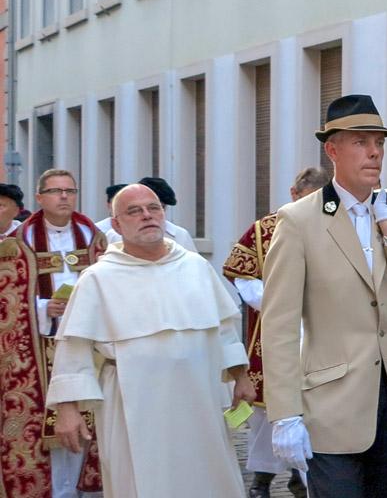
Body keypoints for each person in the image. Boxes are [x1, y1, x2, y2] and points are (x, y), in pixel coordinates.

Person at [262, 94, 387, 498]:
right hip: (331, 408)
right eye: (361, 142)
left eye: (379, 142)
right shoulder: (299, 220)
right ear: (332, 149)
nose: (374, 152)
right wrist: (284, 414)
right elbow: (278, 325)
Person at [44, 183, 253, 497]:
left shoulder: (195, 267)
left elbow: (224, 328)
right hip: (132, 403)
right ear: (116, 224)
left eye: (153, 208)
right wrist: (68, 409)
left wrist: (241, 376)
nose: (146, 216)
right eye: (134, 211)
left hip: (201, 398)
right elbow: (74, 347)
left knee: (208, 480)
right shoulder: (98, 278)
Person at [225, 167, 329, 498]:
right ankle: (262, 480)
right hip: (272, 332)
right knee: (267, 413)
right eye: (304, 196)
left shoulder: (333, 226)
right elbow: (243, 278)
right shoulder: (263, 230)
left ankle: (303, 476)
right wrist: (278, 300)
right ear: (293, 193)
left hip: (322, 332)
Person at [15, 169, 107, 498]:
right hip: (41, 346)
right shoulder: (18, 243)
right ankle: (58, 491)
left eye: (70, 190)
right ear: (39, 198)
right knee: (47, 423)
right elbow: (8, 298)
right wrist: (42, 308)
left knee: (91, 419)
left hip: (88, 345)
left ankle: (88, 490)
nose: (64, 196)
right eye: (55, 191)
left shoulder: (94, 238)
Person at [102, 177, 197, 252]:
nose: (147, 215)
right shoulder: (113, 235)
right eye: (136, 210)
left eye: (154, 208)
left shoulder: (180, 235)